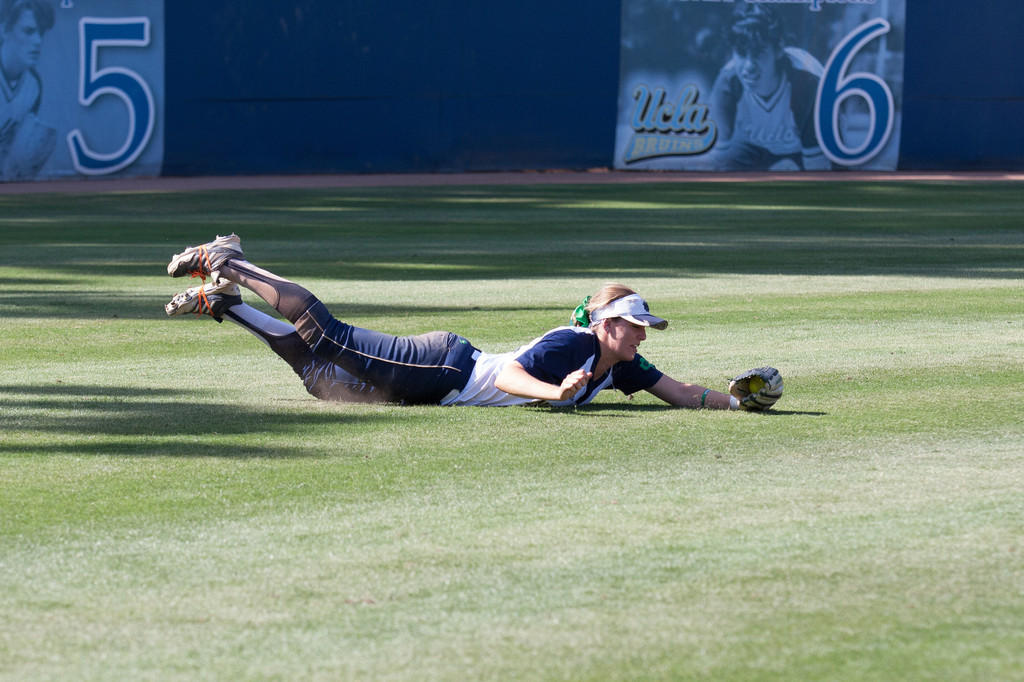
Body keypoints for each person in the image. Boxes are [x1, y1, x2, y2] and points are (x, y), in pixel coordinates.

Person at [164, 234, 752, 410]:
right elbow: (508, 379)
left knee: (324, 381)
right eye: (636, 324)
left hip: (440, 387)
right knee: (331, 336)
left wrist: (736, 400)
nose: (644, 333)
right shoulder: (573, 343)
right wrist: (559, 391)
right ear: (606, 324)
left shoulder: (621, 366)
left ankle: (225, 305)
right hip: (444, 367)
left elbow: (680, 393)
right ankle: (229, 260)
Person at [704, 5, 829, 172]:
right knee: (725, 165)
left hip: (809, 146)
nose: (748, 66)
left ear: (778, 50)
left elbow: (819, 170)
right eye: (741, 54)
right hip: (757, 148)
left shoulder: (806, 81)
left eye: (758, 53)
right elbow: (715, 162)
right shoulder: (728, 82)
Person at [0, 0, 55, 181]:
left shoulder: (33, 85)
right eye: (29, 31)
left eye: (41, 33)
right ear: (4, 30)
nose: (38, 41)